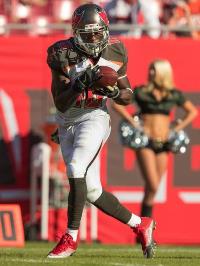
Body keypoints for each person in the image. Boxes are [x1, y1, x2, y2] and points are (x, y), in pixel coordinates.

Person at [46, 3, 156, 259]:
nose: (94, 38)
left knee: (75, 167)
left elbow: (128, 96)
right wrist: (79, 84)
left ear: (106, 29)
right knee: (92, 190)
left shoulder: (116, 49)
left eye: (98, 32)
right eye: (88, 34)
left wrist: (116, 92)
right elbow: (61, 102)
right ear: (76, 34)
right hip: (67, 120)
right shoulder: (60, 53)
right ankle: (140, 224)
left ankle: (70, 238)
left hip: (94, 116)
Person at [112, 59, 198, 219]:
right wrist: (133, 122)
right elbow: (117, 105)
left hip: (165, 143)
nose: (150, 73)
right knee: (152, 184)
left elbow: (192, 112)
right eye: (150, 69)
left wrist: (176, 128)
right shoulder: (141, 91)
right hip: (145, 142)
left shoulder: (173, 94)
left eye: (154, 70)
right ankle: (144, 227)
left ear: (163, 73)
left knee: (153, 189)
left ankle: (144, 229)